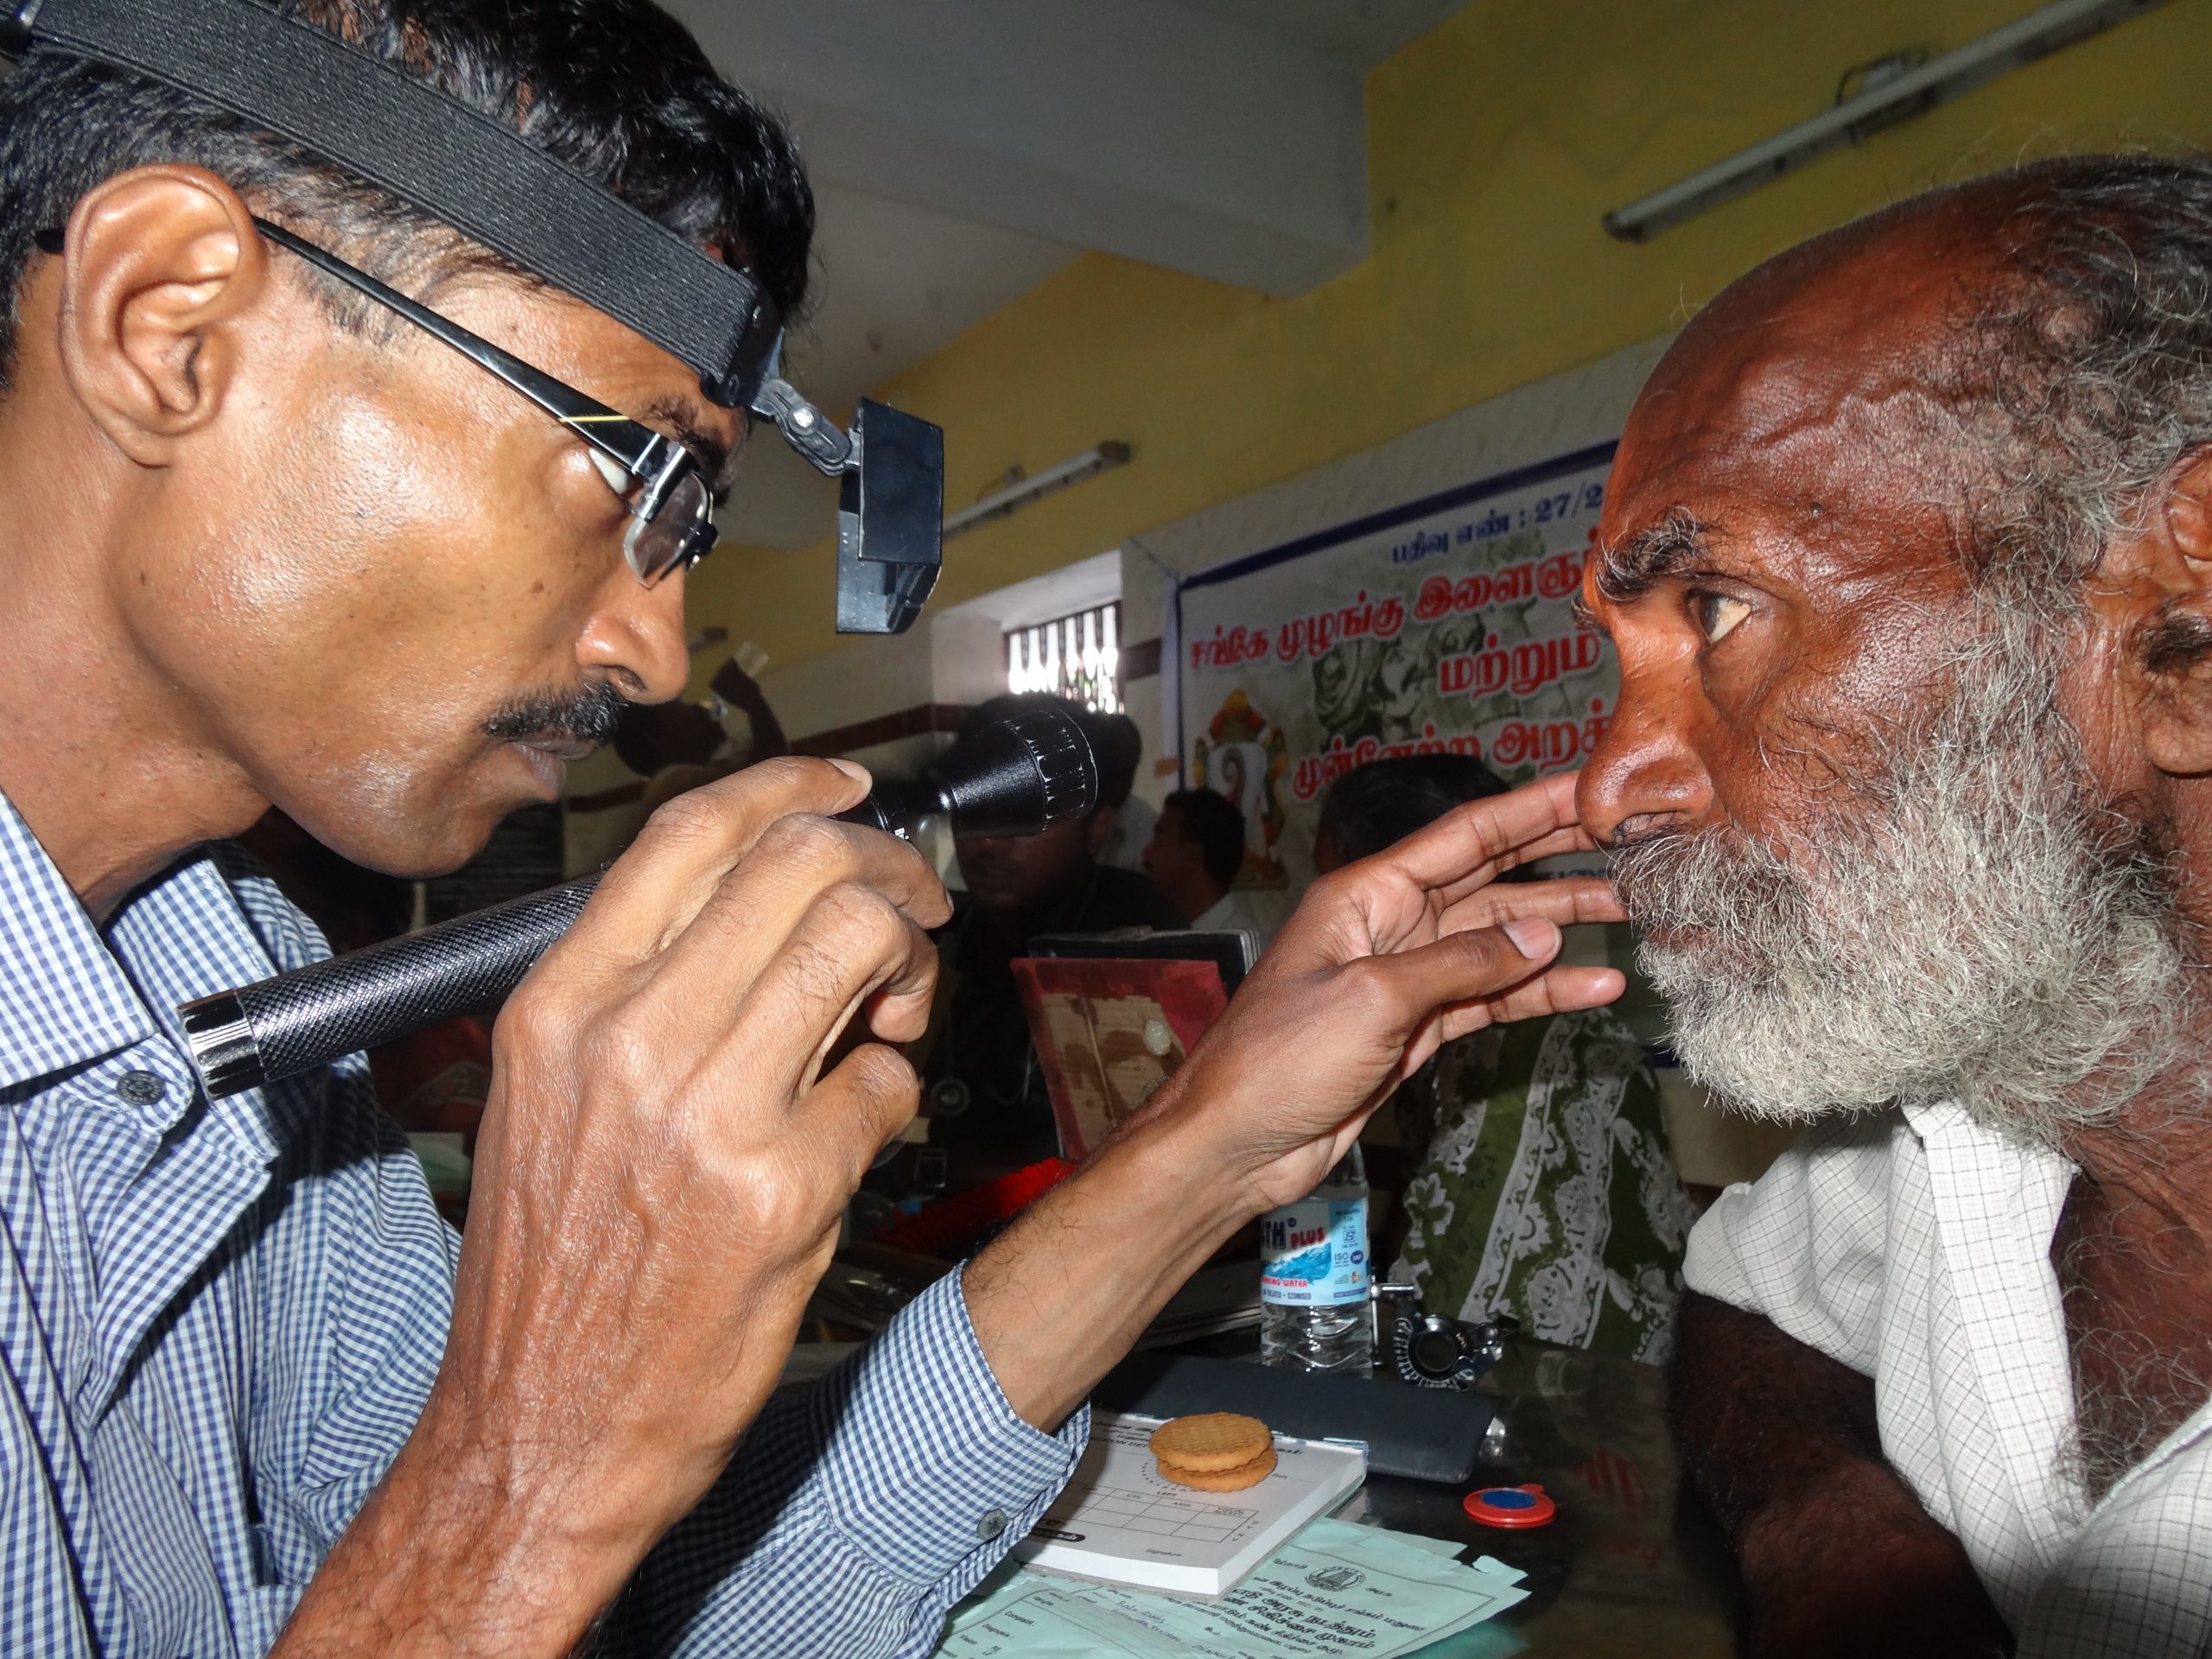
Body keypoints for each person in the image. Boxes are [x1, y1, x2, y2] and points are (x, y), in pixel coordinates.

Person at [0, 5, 1636, 1656]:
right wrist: (523, 1481)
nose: (650, 650)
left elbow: (608, 1610)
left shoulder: (252, 1010)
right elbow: (491, 1552)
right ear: (169, 326)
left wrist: (1208, 1147)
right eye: (635, 475)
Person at [1577, 155, 2212, 1657]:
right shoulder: (1991, 1099)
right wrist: (1827, 1523)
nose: (1615, 788)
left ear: (2179, 619)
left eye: (1717, 610)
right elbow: (1748, 1291)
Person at [1315, 755, 1694, 1361]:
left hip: (1602, 1412)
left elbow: (1467, 1318)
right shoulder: (1438, 1042)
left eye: (1340, 906)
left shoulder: (1551, 1053)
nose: (1327, 947)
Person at [924, 693, 1186, 1181]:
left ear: (1096, 828)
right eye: (974, 810)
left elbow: (1153, 1160)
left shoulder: (1138, 936)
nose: (988, 842)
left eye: (1022, 815)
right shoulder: (947, 938)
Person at [1142, 786, 1278, 946]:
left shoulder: (1248, 953)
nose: (1146, 852)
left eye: (1159, 839)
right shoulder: (1169, 934)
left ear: (1192, 856)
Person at [1093, 710, 1160, 873]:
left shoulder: (1147, 829)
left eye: (1125, 775)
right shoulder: (1066, 819)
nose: (1116, 786)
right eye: (1109, 772)